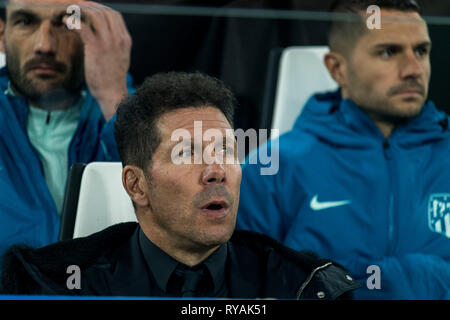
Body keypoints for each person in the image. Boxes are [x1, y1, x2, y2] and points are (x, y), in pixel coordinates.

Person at [0, 72, 359, 299]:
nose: (216, 170)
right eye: (188, 153)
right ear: (136, 185)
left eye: (225, 150)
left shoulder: (303, 287)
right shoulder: (53, 284)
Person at [236, 0, 450, 299]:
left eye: (421, 51)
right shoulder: (271, 168)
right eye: (389, 52)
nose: (413, 69)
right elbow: (238, 292)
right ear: (337, 68)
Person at [0, 0, 132, 257]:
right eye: (26, 22)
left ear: (96, 34)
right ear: (2, 35)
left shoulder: (142, 118)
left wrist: (113, 96)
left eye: (66, 23)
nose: (44, 46)